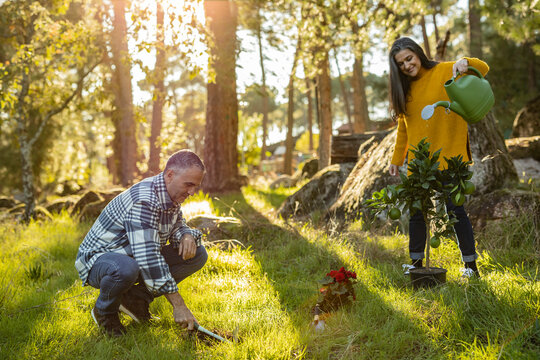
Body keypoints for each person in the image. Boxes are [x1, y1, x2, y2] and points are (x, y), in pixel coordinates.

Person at [75, 149, 208, 336]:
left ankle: (135, 302)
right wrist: (179, 305)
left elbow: (178, 224)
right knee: (126, 268)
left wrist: (186, 235)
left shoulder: (170, 194)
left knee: (198, 254)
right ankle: (104, 312)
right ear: (170, 175)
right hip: (100, 260)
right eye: (189, 184)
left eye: (196, 186)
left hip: (132, 258)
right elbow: (149, 258)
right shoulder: (145, 200)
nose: (192, 192)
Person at [387, 37, 488, 278]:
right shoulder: (406, 90)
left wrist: (465, 62)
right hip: (420, 163)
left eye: (409, 59)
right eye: (400, 64)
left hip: (450, 156)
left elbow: (482, 69)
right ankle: (416, 265)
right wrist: (396, 157)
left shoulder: (446, 70)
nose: (406, 66)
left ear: (418, 54)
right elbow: (404, 127)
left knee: (456, 212)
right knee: (416, 213)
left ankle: (470, 267)